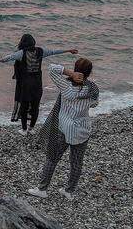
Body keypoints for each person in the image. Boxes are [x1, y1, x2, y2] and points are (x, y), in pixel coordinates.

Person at [28, 59, 99, 201]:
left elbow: (51, 68)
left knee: (52, 158)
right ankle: (69, 191)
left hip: (64, 128)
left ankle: (42, 189)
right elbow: (94, 104)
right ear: (89, 73)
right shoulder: (93, 89)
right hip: (82, 130)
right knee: (77, 162)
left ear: (75, 69)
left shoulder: (66, 86)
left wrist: (70, 73)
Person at [0, 34, 78, 135]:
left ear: (22, 43)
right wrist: (68, 50)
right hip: (37, 84)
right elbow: (53, 52)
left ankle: (24, 129)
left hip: (26, 85)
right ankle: (31, 128)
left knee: (24, 107)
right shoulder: (41, 51)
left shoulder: (21, 53)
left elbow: (9, 57)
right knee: (35, 106)